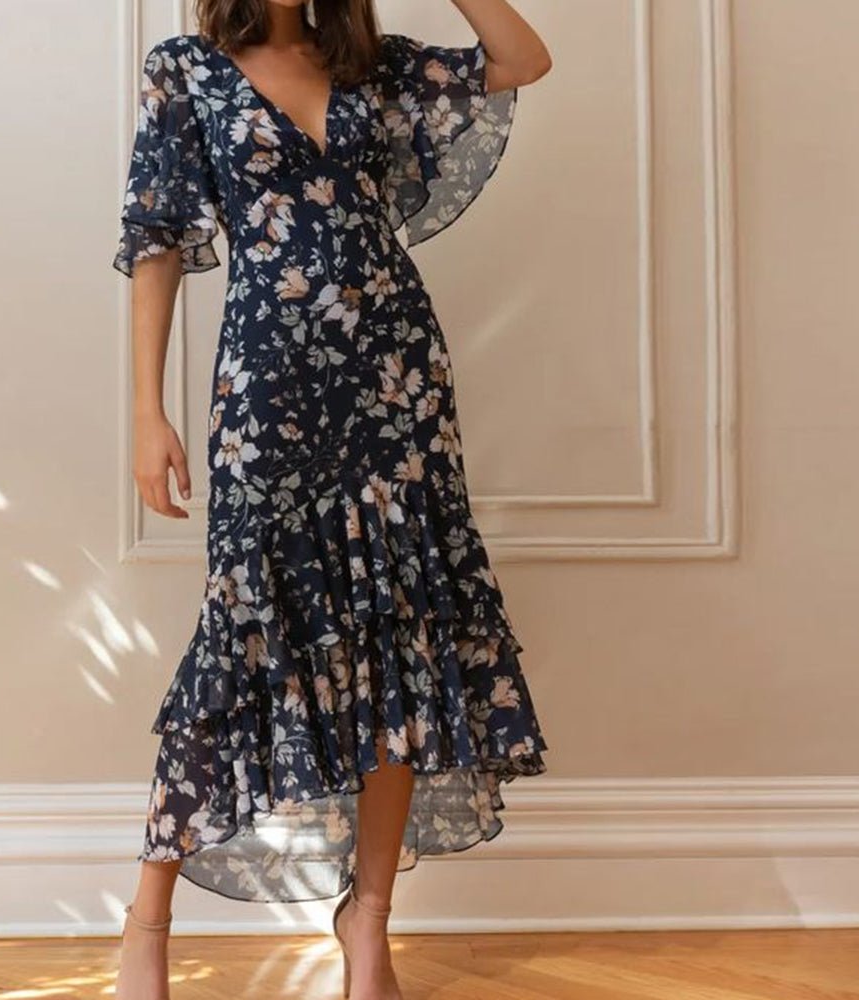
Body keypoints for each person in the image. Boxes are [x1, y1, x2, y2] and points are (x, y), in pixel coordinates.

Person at [111, 1, 552, 997]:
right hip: (268, 390)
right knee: (240, 628)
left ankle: (369, 923)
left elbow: (522, 58)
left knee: (404, 631)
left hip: (396, 382)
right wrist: (146, 410)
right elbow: (155, 240)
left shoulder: (372, 64)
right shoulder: (187, 69)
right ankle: (147, 920)